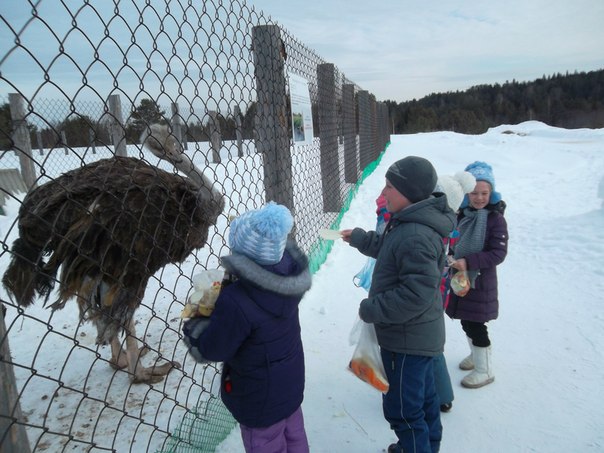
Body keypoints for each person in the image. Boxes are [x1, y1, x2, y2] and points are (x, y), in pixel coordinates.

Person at [341, 156, 456, 453]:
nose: (385, 191)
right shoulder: (411, 222)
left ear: (411, 192)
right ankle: (423, 447)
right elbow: (390, 248)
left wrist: (372, 309)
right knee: (425, 402)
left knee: (403, 411)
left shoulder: (415, 233)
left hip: (407, 340)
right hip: (417, 336)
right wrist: (360, 239)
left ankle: (416, 447)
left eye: (390, 186)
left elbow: (414, 295)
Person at [182, 202, 313, 453]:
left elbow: (214, 348)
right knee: (294, 434)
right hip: (290, 385)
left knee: (265, 445)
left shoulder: (236, 301)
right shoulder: (286, 282)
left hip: (257, 399)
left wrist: (196, 325)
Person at [446, 161, 508, 389]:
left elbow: (498, 253)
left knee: (476, 324)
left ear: (492, 193)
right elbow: (453, 240)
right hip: (460, 279)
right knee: (466, 321)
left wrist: (468, 261)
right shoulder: (461, 215)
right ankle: (475, 355)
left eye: (484, 193)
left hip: (480, 282)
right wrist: (451, 255)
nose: (479, 198)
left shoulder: (495, 219)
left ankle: (484, 370)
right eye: (474, 193)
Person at [432, 171, 476, 412]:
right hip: (437, 295)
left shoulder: (437, 228)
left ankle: (438, 394)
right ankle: (443, 394)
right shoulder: (449, 224)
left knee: (428, 346)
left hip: (430, 296)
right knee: (433, 345)